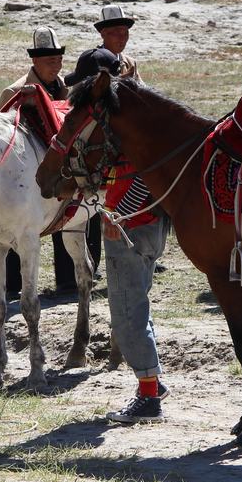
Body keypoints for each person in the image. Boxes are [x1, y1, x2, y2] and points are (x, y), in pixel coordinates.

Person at [64, 47, 172, 422]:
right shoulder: (138, 115)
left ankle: (147, 397)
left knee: (127, 312)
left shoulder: (130, 124)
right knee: (136, 304)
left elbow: (145, 175)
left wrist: (121, 215)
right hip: (145, 225)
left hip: (131, 227)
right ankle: (153, 381)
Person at [0, 27, 100, 299]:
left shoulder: (66, 89)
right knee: (18, 229)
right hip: (25, 170)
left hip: (58, 166)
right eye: (49, 61)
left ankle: (67, 282)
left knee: (68, 218)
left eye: (58, 60)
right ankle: (13, 287)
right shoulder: (15, 92)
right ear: (35, 61)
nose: (56, 66)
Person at [94, 5, 143, 81]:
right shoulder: (91, 61)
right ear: (103, 34)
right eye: (117, 33)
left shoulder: (130, 63)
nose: (122, 39)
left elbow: (141, 90)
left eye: (125, 33)